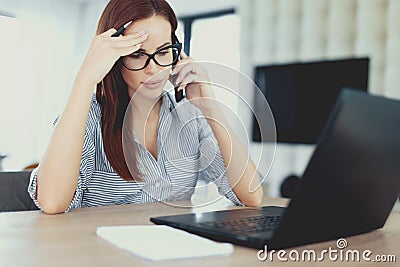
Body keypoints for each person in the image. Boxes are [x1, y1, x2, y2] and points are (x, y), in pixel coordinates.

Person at [28, 0, 263, 214]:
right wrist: (85, 79)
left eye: (162, 52)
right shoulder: (89, 116)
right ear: (115, 58)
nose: (152, 69)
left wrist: (210, 109)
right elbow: (52, 202)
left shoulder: (189, 117)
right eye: (137, 54)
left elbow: (252, 196)